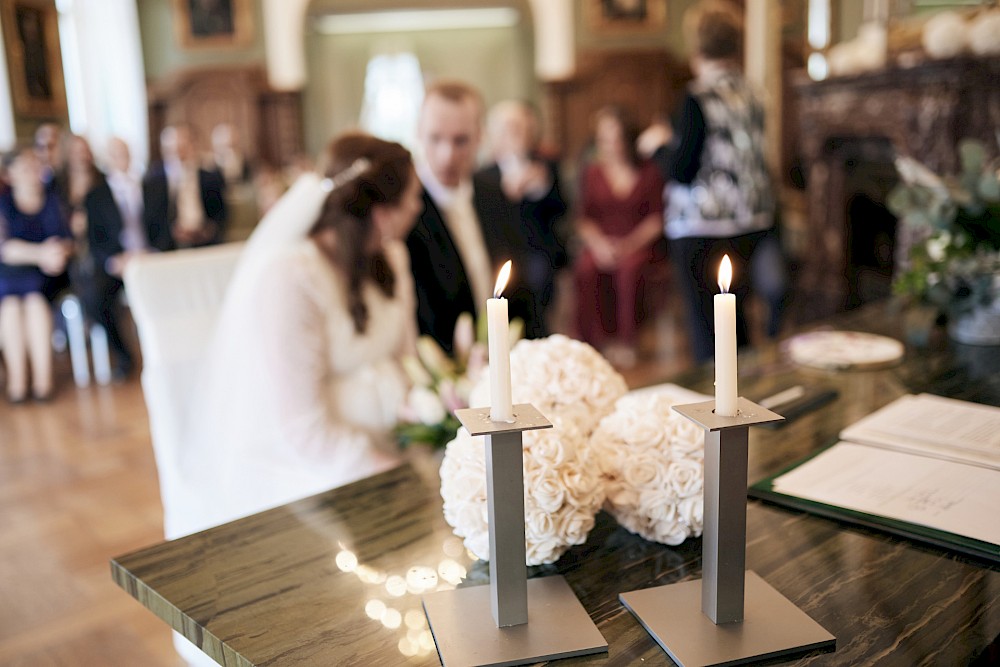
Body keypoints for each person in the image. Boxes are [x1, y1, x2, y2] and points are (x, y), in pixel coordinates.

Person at [181, 133, 421, 532]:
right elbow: (303, 431)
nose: (417, 207)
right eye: (413, 197)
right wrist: (390, 474)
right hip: (311, 466)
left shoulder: (393, 256)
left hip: (392, 441)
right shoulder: (292, 277)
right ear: (382, 214)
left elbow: (407, 362)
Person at [650, 0, 782, 363]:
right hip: (752, 223)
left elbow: (681, 170)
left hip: (702, 226)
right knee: (736, 322)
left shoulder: (697, 96)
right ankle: (740, 397)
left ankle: (712, 402)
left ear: (695, 46)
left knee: (706, 327)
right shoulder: (756, 93)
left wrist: (658, 146)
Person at [406, 80, 505, 353]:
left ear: (479, 136)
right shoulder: (405, 210)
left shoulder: (494, 193)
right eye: (435, 138)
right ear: (418, 133)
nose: (447, 155)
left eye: (461, 140)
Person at [574, 106, 664, 368]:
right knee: (587, 267)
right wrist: (600, 245)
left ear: (628, 139)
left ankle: (627, 341)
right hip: (601, 242)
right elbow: (583, 218)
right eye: (604, 139)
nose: (610, 145)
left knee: (630, 271)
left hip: (638, 243)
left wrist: (628, 245)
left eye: (616, 138)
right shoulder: (592, 172)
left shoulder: (650, 172)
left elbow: (657, 219)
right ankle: (592, 341)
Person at [476, 100, 568, 338]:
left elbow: (561, 209)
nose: (517, 134)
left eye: (521, 127)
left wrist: (541, 186)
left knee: (539, 276)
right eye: (509, 128)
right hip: (502, 251)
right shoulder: (485, 176)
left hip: (540, 250)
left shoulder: (547, 166)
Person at [0, 146, 73, 402]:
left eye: (33, 165)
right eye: (24, 167)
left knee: (34, 302)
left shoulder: (53, 200)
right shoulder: (4, 204)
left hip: (46, 277)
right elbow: (5, 248)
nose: (32, 171)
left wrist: (57, 254)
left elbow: (67, 240)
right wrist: (42, 253)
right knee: (10, 306)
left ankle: (43, 381)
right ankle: (18, 381)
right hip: (12, 274)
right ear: (10, 174)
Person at [143, 123, 227, 250]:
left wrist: (209, 229)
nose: (178, 154)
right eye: (173, 149)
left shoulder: (210, 177)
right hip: (170, 246)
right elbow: (151, 220)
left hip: (206, 243)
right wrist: (174, 232)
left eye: (183, 148)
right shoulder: (153, 181)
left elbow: (221, 212)